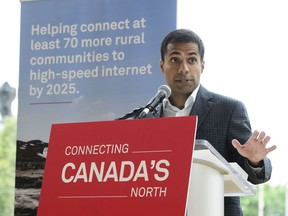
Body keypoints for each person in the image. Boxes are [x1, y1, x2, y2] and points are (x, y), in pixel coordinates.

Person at [152, 29, 277, 215]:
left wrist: (254, 161)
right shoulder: (146, 117)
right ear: (162, 66)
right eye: (175, 60)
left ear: (202, 65)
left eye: (191, 60)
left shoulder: (229, 109)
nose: (183, 68)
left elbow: (253, 175)